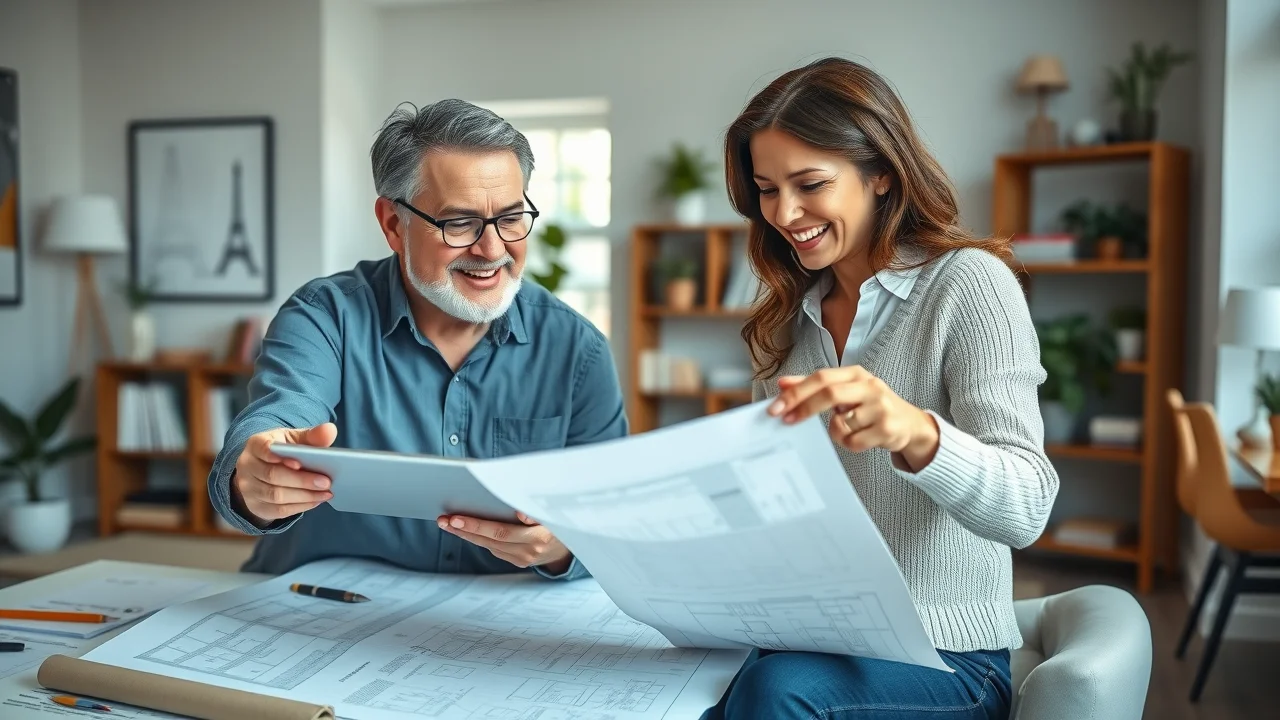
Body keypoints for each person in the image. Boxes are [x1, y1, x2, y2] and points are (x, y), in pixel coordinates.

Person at [704, 57, 1060, 719]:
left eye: (810, 184)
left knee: (775, 697)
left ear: (881, 175)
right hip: (811, 638)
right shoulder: (786, 319)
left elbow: (1028, 508)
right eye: (766, 189)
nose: (784, 212)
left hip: (946, 659)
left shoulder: (970, 285)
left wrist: (916, 435)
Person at [208, 99, 626, 579]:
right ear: (392, 224)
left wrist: (559, 547)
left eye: (510, 218)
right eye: (459, 223)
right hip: (319, 616)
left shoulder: (579, 349)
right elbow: (276, 421)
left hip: (496, 629)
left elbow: (611, 527)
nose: (492, 250)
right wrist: (258, 475)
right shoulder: (324, 316)